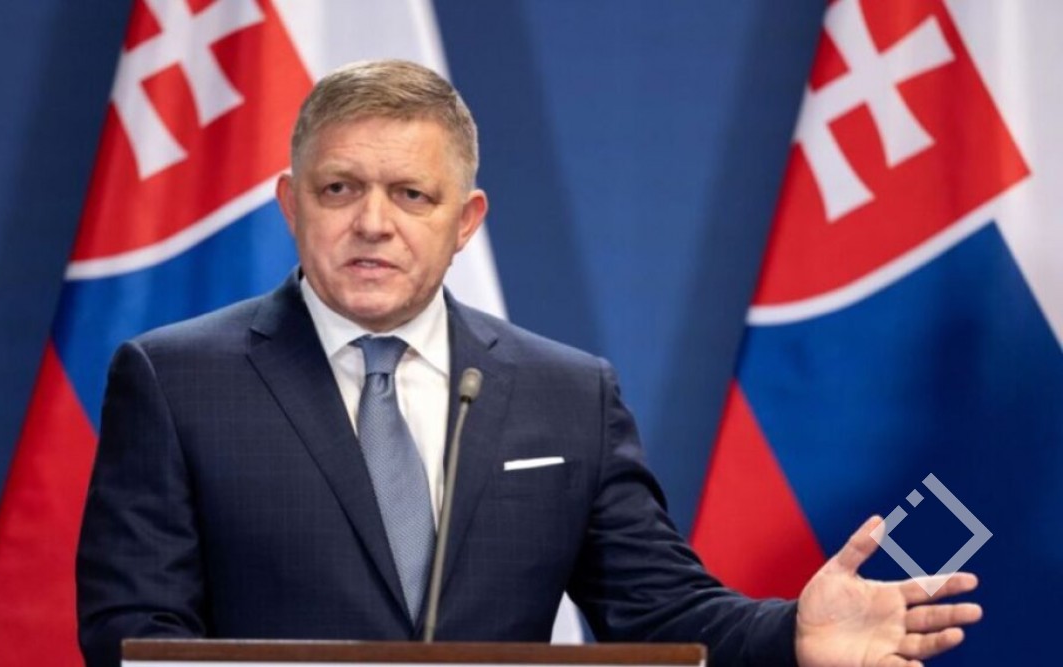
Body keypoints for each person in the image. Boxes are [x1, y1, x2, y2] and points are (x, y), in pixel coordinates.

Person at [76, 59, 981, 667]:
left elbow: (659, 611)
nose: (373, 223)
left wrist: (792, 635)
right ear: (290, 202)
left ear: (465, 220)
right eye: (340, 188)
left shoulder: (565, 393)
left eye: (412, 194)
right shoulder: (176, 380)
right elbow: (133, 635)